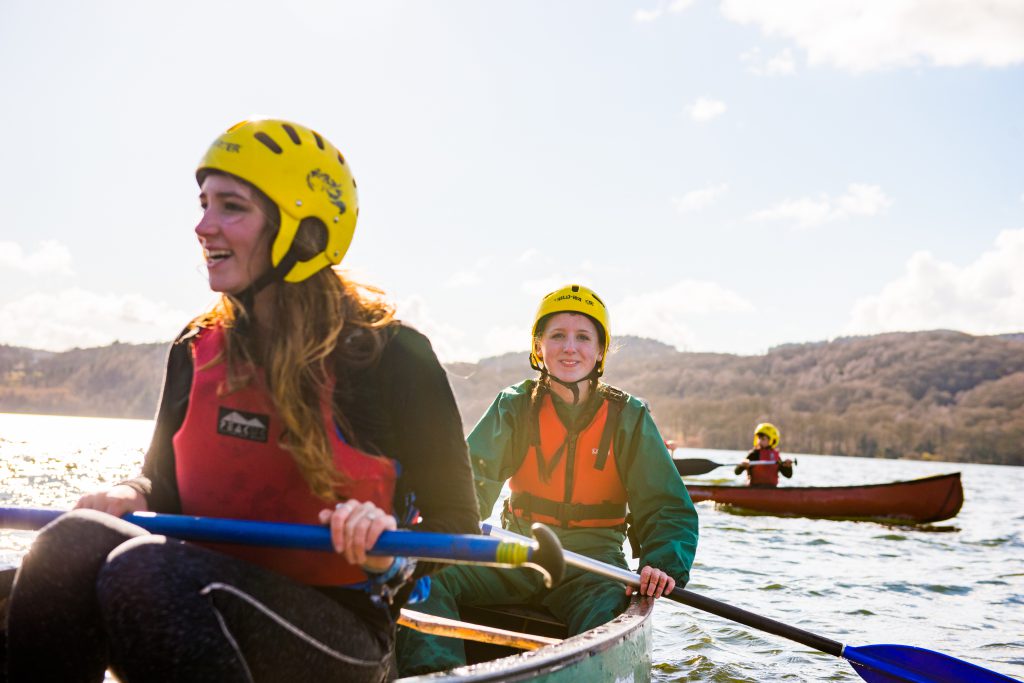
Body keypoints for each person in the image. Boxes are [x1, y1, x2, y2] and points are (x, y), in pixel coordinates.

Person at [3, 118, 480, 682]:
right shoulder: (193, 347)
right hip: (185, 597)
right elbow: (162, 486)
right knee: (67, 543)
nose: (203, 226)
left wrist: (390, 550)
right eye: (203, 203)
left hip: (338, 634)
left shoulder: (393, 355)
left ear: (302, 230)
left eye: (231, 207)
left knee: (144, 571)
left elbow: (458, 523)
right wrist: (129, 490)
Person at [397, 283, 699, 675]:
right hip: (520, 550)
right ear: (539, 347)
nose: (569, 347)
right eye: (557, 336)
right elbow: (470, 481)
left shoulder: (629, 416)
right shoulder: (515, 405)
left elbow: (666, 504)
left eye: (582, 337)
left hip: (595, 568)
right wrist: (439, 527)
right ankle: (436, 673)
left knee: (607, 617)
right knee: (425, 578)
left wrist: (661, 563)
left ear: (600, 351)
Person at [734, 422, 793, 486]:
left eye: (763, 439)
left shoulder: (776, 457)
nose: (759, 441)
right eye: (758, 438)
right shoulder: (754, 454)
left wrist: (788, 467)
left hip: (772, 490)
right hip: (753, 489)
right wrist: (742, 465)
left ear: (772, 440)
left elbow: (788, 475)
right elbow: (737, 472)